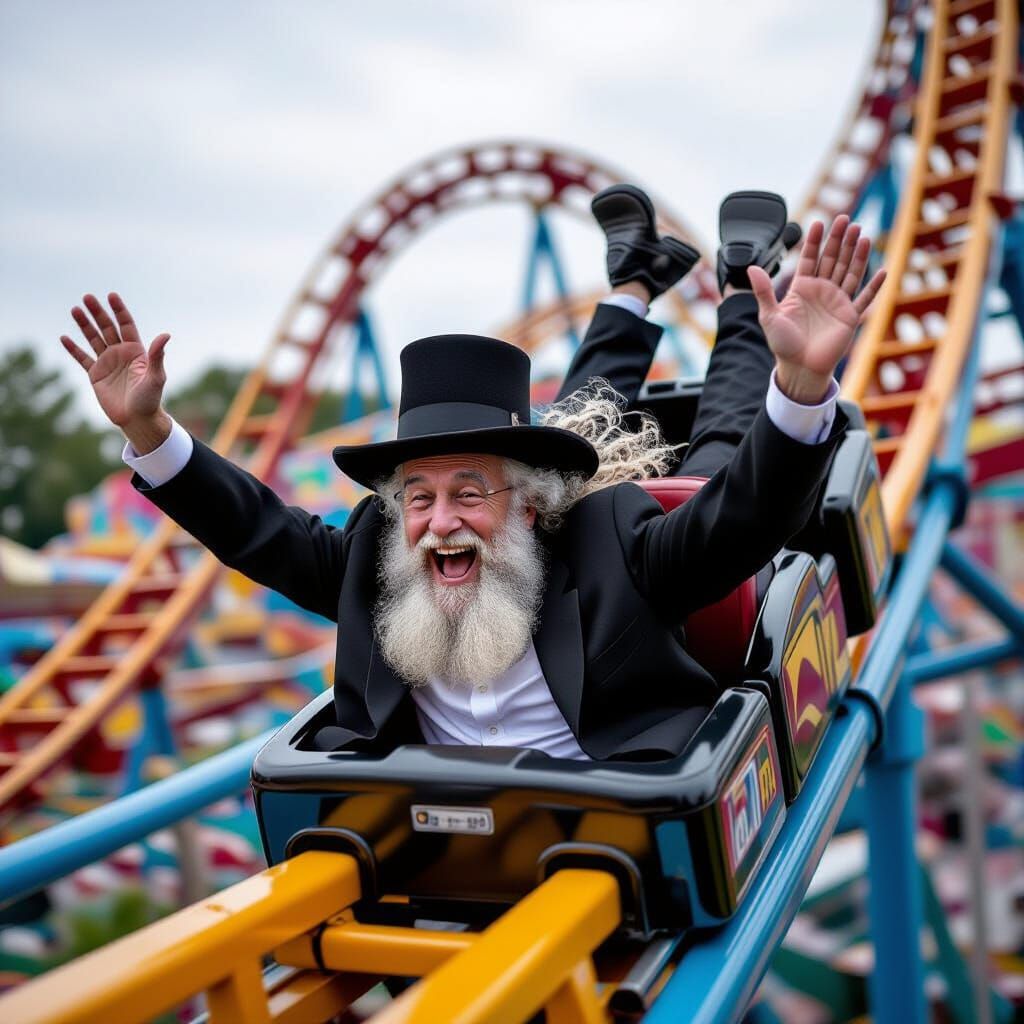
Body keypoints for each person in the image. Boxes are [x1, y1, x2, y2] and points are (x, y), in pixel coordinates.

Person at [59, 187, 884, 762]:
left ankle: (741, 281)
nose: (439, 520)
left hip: (618, 831)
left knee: (710, 463)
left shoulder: (614, 547)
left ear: (528, 507)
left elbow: (742, 519)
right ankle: (634, 280)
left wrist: (802, 386)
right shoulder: (382, 561)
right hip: (461, 858)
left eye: (467, 494)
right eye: (418, 497)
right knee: (569, 423)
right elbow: (258, 529)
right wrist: (152, 433)